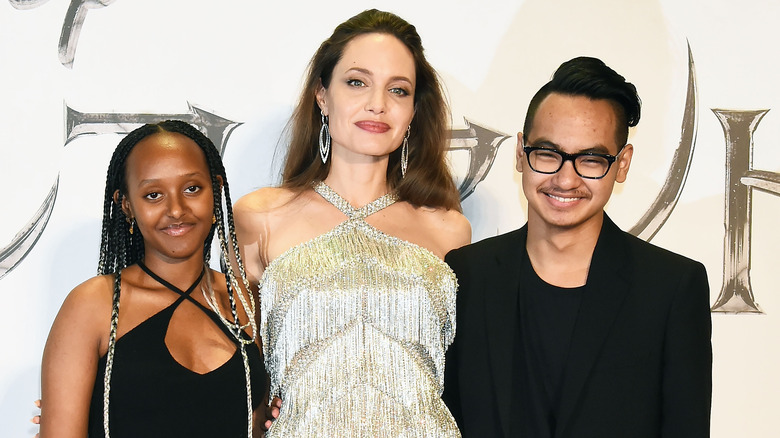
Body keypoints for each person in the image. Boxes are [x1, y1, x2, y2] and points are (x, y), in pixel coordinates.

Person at [442, 57, 712, 437]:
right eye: (549, 154)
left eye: (591, 159)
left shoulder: (671, 287)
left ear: (622, 164)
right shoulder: (467, 275)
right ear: (521, 152)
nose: (565, 179)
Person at [234, 9, 471, 437]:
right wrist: (256, 413)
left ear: (414, 110)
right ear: (322, 95)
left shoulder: (448, 229)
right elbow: (240, 367)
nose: (377, 104)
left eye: (398, 90)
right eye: (357, 82)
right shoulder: (259, 216)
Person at [39, 121, 265, 438]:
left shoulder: (244, 299)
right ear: (126, 205)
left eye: (192, 189)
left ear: (215, 190)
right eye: (154, 194)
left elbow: (257, 423)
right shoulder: (92, 306)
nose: (176, 209)